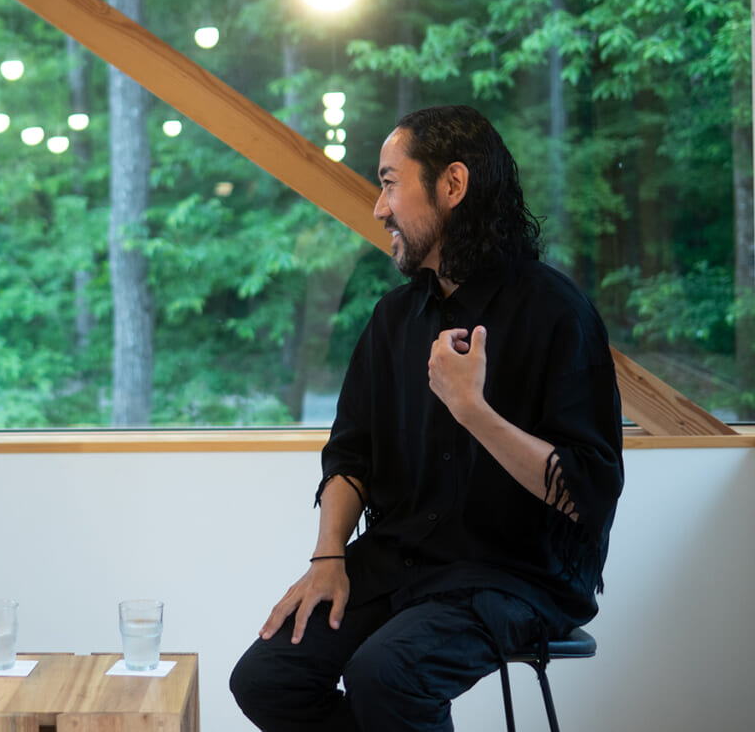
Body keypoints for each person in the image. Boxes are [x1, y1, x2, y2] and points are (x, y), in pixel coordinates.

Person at [230, 104, 623, 732]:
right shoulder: (393, 319)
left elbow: (589, 494)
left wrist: (472, 410)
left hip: (516, 575)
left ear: (453, 185)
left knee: (386, 675)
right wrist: (328, 557)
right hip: (401, 560)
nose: (378, 208)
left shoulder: (557, 313)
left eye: (390, 183)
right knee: (267, 679)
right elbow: (350, 455)